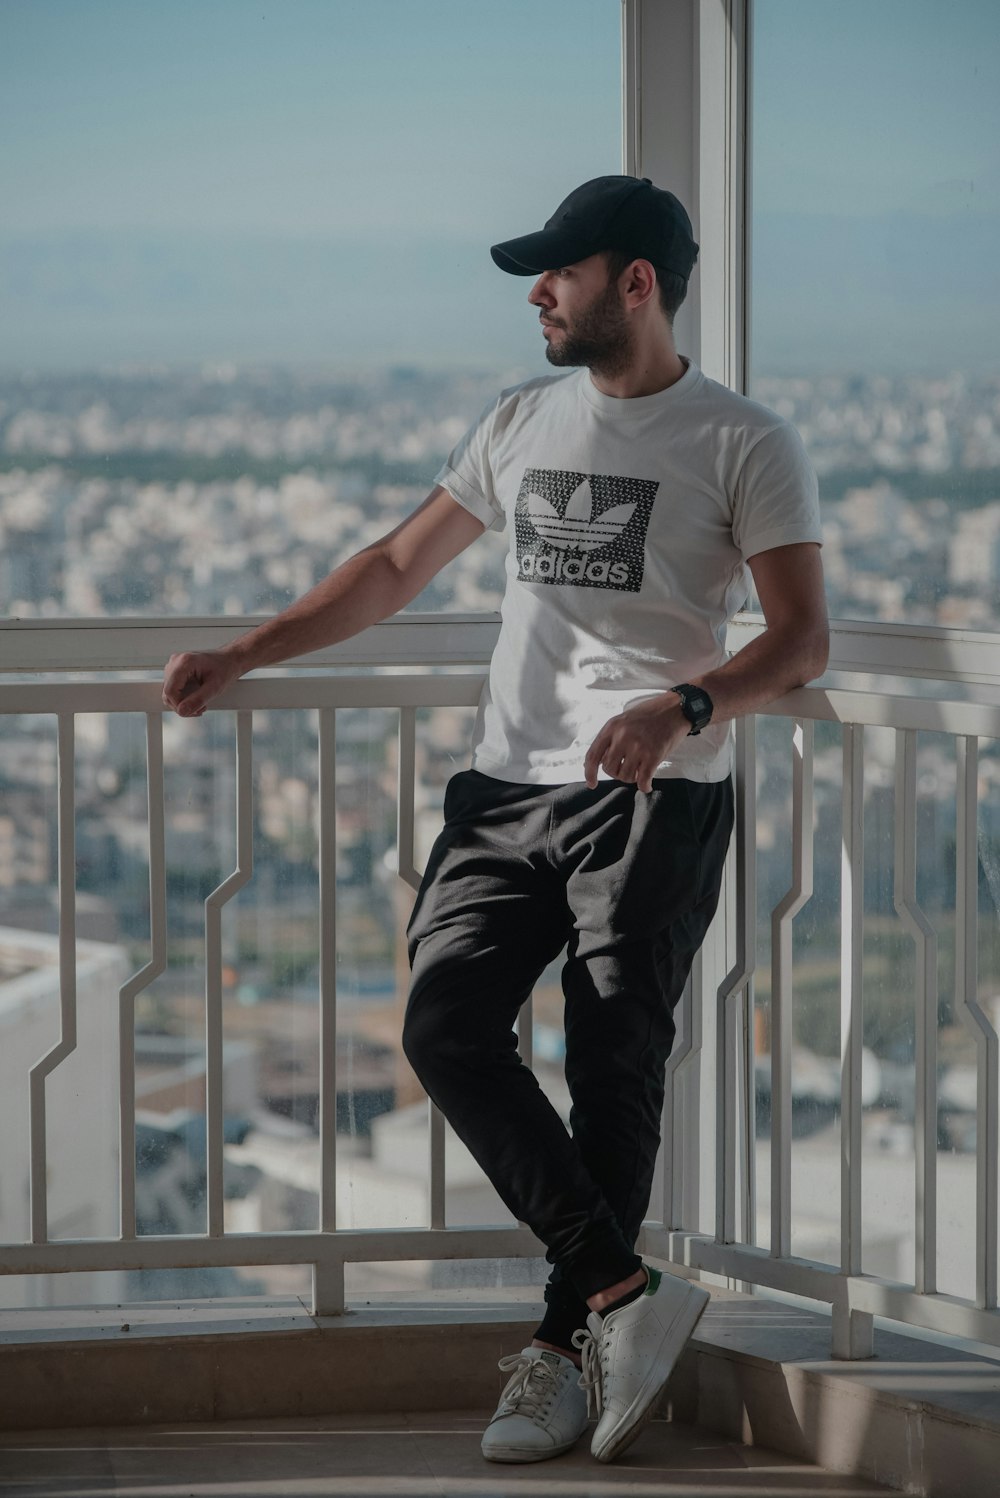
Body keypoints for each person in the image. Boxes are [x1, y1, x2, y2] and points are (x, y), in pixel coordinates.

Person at [162, 175, 828, 1467]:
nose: (536, 291)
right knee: (442, 1021)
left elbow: (800, 642)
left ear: (635, 283)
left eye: (558, 272)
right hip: (503, 788)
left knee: (612, 1064)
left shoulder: (745, 440)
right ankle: (618, 1292)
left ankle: (557, 1351)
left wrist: (685, 704)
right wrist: (250, 650)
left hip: (651, 797)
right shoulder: (521, 419)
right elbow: (397, 566)